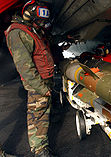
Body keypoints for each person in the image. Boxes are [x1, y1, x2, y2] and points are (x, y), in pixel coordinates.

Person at [4, 0, 63, 156]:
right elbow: (24, 66)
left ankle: (41, 145)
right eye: (39, 21)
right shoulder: (17, 33)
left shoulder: (32, 30)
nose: (41, 24)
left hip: (44, 79)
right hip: (38, 83)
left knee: (43, 111)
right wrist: (42, 88)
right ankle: (39, 150)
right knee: (37, 115)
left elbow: (45, 48)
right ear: (29, 14)